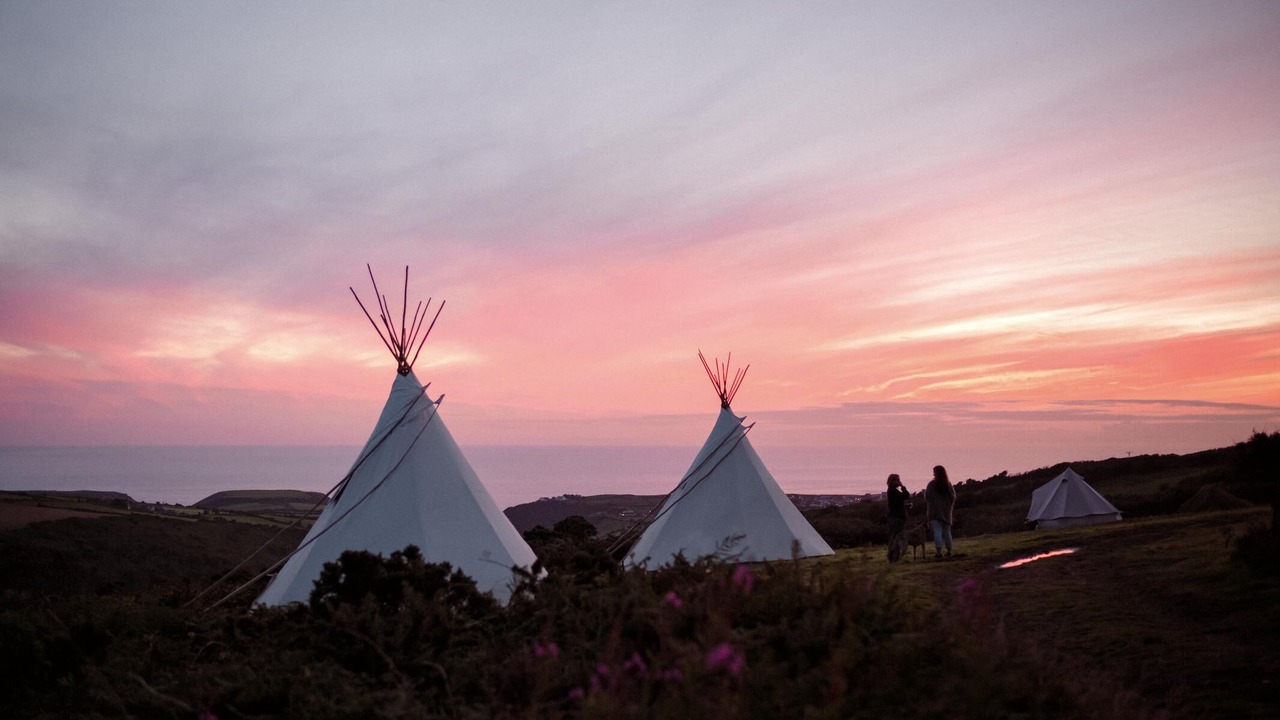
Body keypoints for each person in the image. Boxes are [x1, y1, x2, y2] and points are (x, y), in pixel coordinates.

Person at [924, 465, 957, 559]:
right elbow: (953, 497)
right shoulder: (948, 484)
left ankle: (938, 552)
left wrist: (935, 503)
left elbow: (927, 497)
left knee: (937, 531)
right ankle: (949, 551)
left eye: (934, 472)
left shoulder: (931, 484)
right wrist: (947, 506)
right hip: (946, 512)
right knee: (947, 532)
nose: (933, 473)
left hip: (934, 513)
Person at [885, 473, 911, 562]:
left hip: (896, 517)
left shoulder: (892, 491)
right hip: (896, 517)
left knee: (895, 536)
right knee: (896, 537)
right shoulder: (892, 492)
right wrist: (902, 487)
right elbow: (906, 496)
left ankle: (894, 556)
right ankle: (892, 556)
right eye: (897, 480)